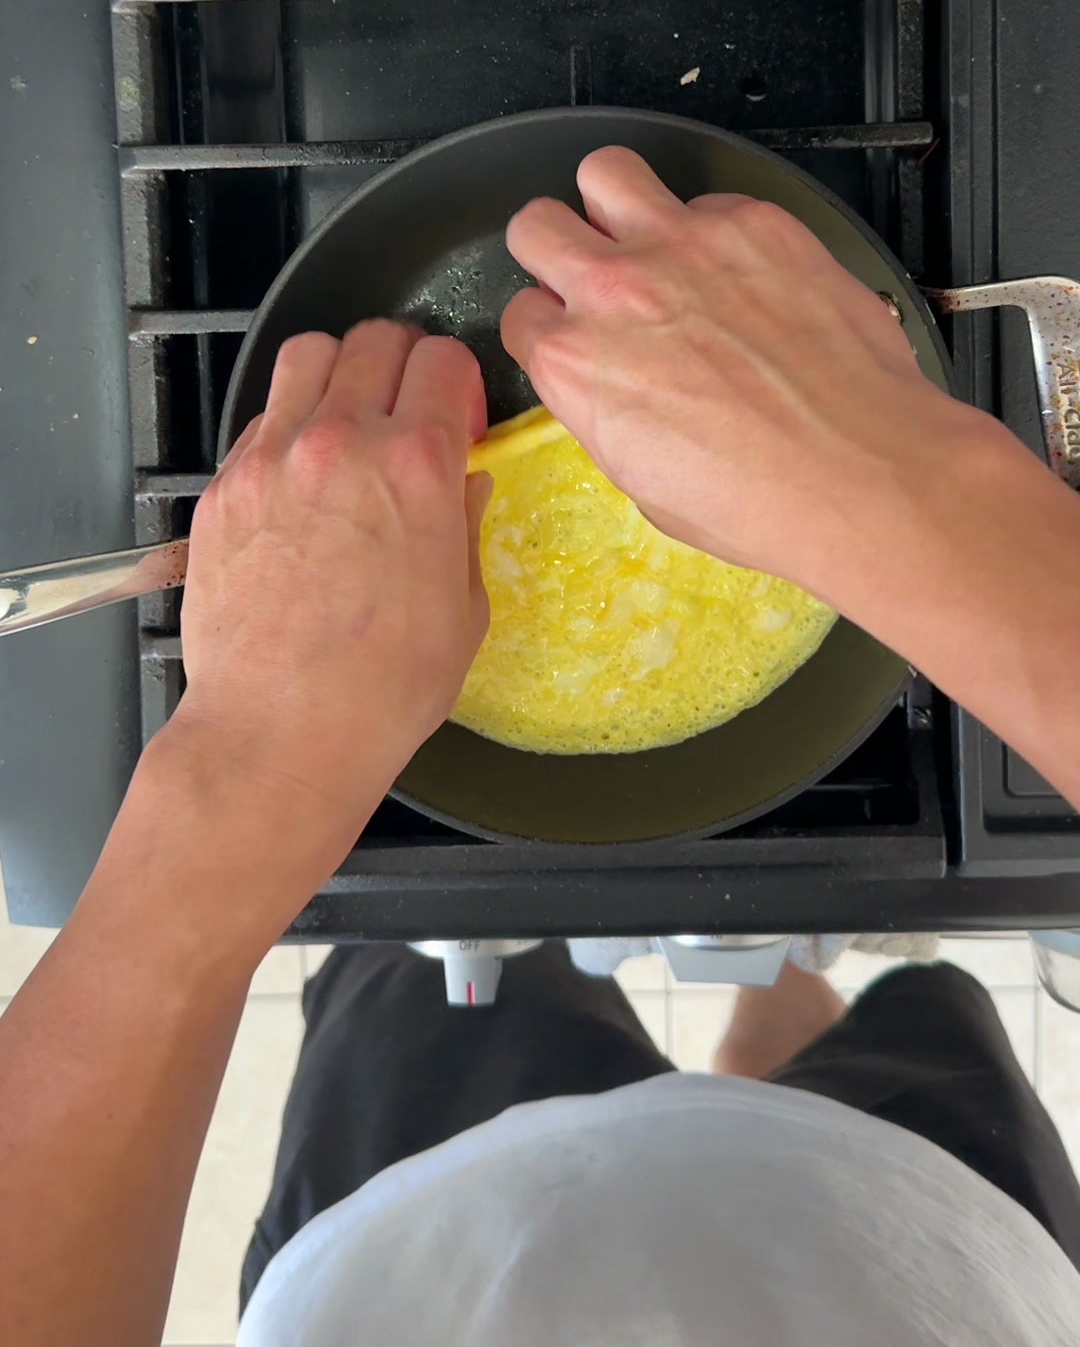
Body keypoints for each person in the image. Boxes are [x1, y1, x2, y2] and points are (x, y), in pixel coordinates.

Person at [1, 145, 1079, 1347]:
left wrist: (253, 760)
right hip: (918, 1243)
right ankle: (780, 1023)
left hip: (410, 1239)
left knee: (421, 982)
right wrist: (909, 481)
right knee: (911, 1024)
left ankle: (762, 1029)